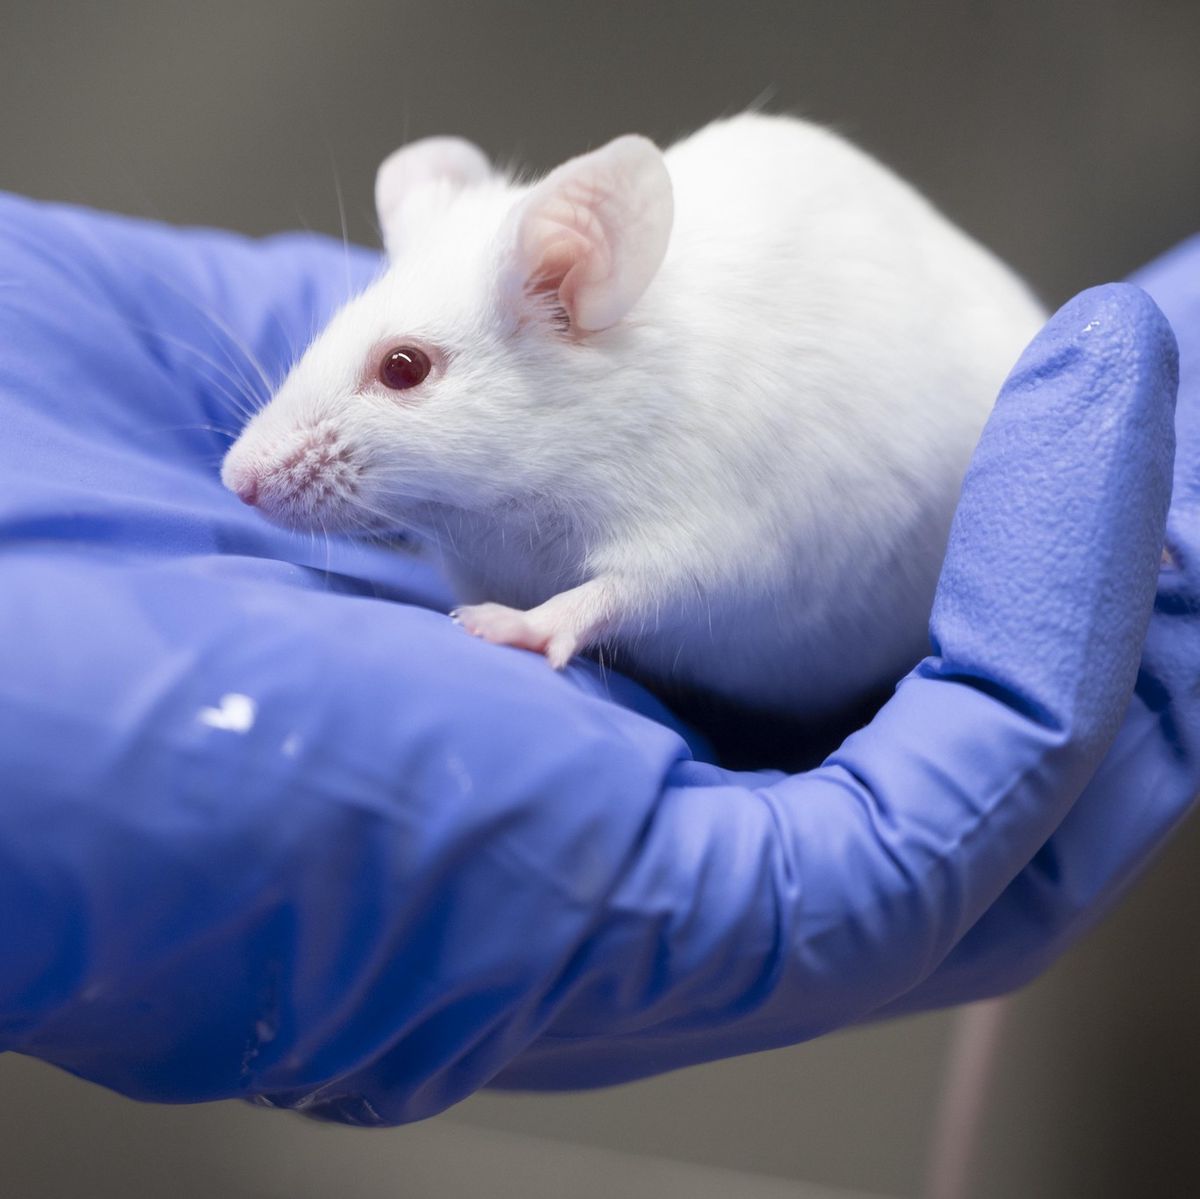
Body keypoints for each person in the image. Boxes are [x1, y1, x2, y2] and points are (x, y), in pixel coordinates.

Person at [0, 191, 1196, 1126]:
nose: (254, 471)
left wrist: (586, 607)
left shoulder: (660, 401)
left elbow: (734, 541)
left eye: (404, 371)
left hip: (903, 486)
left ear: (568, 298)